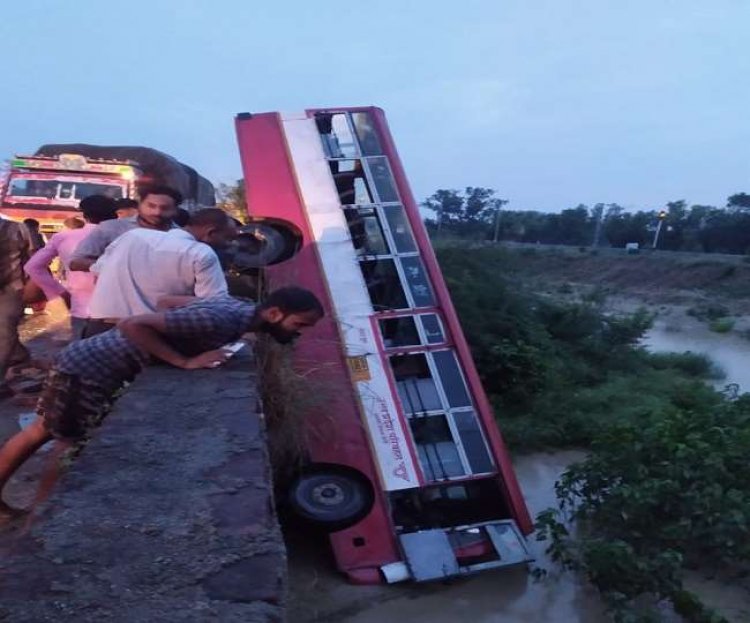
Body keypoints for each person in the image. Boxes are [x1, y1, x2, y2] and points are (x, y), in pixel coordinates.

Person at [0, 287, 324, 517]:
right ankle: (40, 521)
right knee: (67, 443)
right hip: (89, 370)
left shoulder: (236, 309)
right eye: (299, 325)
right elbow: (132, 324)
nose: (299, 333)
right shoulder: (222, 322)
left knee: (41, 431)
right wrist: (182, 361)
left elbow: (168, 301)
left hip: (84, 360)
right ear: (274, 313)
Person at [83, 208, 238, 336]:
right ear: (211, 232)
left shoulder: (132, 236)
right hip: (147, 336)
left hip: (98, 329)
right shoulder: (201, 253)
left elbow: (98, 269)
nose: (229, 245)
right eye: (228, 238)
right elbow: (214, 304)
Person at [23, 196, 118, 339]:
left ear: (84, 215)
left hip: (80, 306)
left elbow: (33, 267)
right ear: (115, 214)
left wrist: (58, 292)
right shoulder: (128, 236)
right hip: (118, 310)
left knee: (81, 354)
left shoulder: (64, 237)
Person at [69, 185, 181, 272]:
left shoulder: (182, 238)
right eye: (151, 206)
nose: (157, 212)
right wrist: (115, 266)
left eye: (165, 208)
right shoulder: (111, 228)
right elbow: (75, 262)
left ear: (175, 210)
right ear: (140, 205)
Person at [0, 218, 34, 399]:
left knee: (5, 333)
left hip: (11, 289)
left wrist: (30, 285)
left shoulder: (17, 228)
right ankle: (19, 356)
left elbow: (30, 257)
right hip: (12, 289)